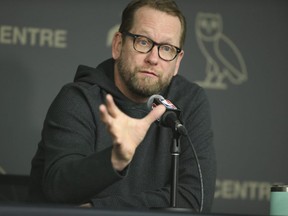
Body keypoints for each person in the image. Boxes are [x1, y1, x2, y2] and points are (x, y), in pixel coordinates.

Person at [29, 0, 216, 212]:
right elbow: (57, 188)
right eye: (143, 42)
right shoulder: (79, 98)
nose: (153, 58)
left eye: (166, 48)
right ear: (118, 45)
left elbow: (195, 198)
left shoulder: (189, 101)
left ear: (177, 61)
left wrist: (97, 208)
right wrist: (115, 159)